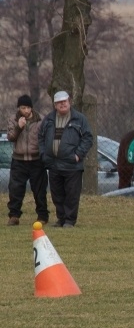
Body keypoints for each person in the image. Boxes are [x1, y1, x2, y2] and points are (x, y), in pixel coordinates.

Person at [38, 91, 93, 228]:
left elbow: (88, 138)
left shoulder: (80, 119)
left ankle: (69, 220)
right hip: (53, 164)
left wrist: (78, 154)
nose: (62, 104)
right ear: (55, 105)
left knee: (72, 194)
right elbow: (40, 137)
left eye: (64, 101)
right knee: (57, 194)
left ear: (69, 102)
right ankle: (61, 219)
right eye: (59, 102)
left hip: (72, 165)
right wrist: (44, 154)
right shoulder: (48, 119)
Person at [6, 95, 49, 226]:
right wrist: (19, 127)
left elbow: (46, 138)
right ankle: (14, 215)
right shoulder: (13, 119)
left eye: (28, 107)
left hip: (36, 160)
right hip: (19, 160)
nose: (26, 110)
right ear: (19, 108)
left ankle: (42, 216)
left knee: (39, 190)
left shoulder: (40, 119)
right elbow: (10, 137)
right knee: (15, 189)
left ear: (31, 108)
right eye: (23, 107)